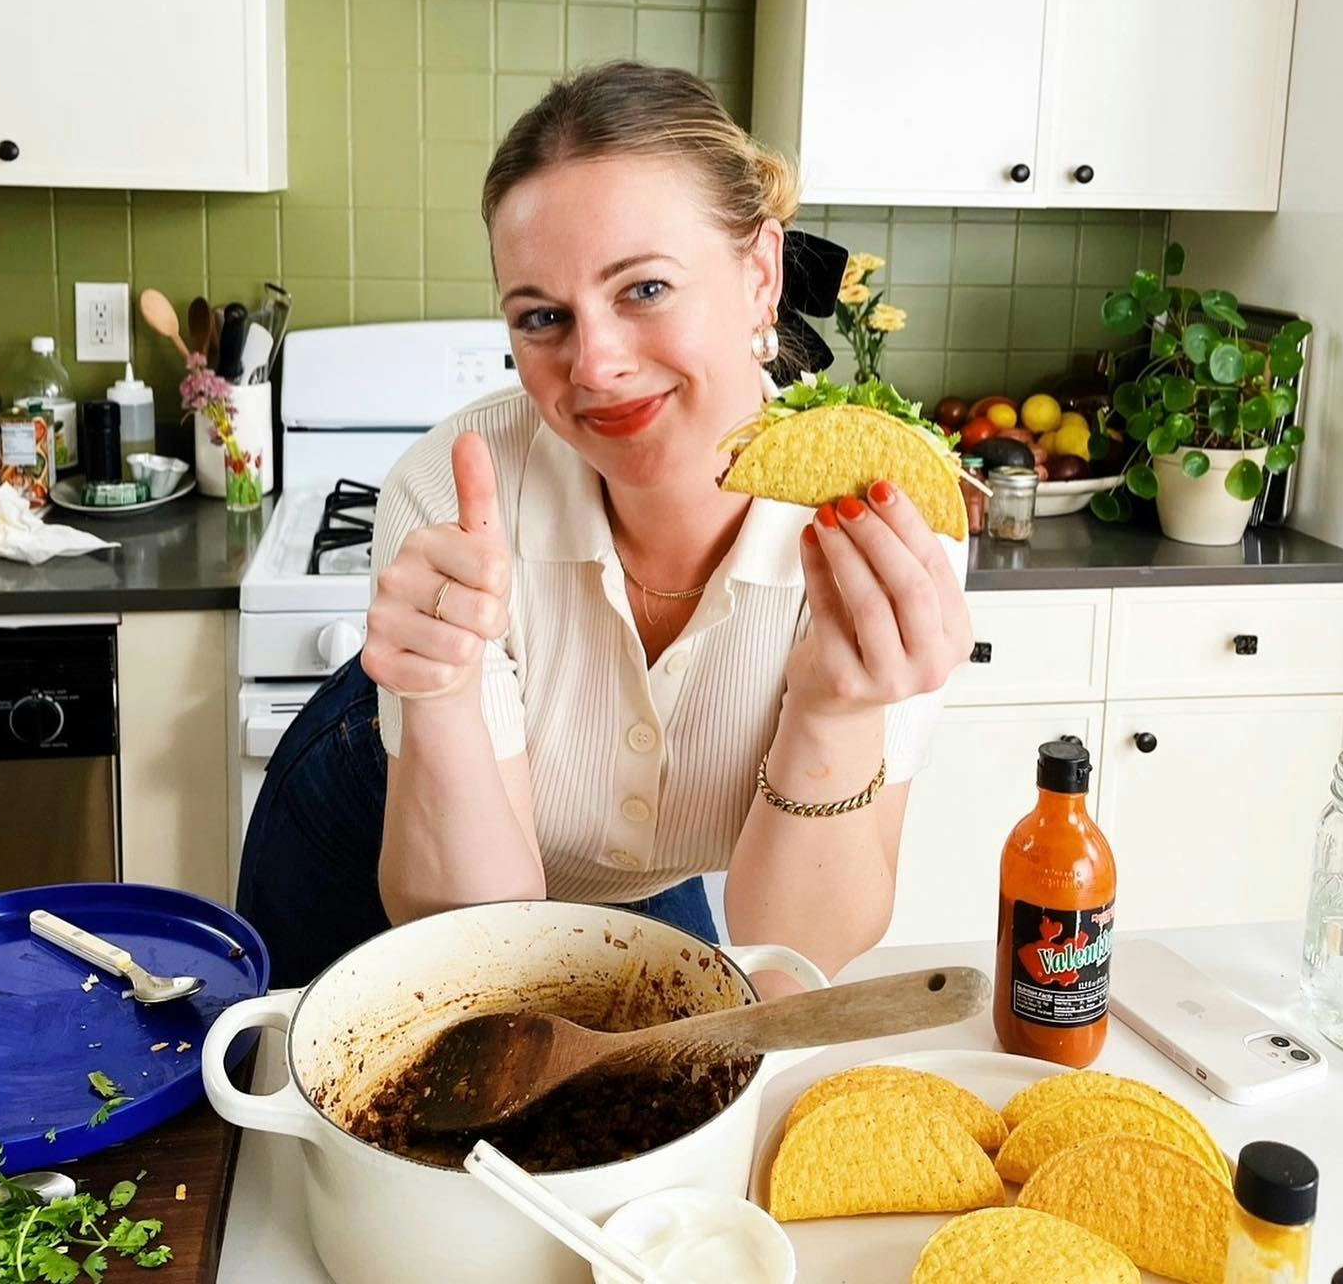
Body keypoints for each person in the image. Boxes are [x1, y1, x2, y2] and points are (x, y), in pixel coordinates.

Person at [238, 62, 972, 988]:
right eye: (543, 316)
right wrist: (443, 695)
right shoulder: (456, 492)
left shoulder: (883, 530)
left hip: (634, 871)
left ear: (760, 274)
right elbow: (483, 938)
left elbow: (792, 950)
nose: (595, 365)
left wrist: (838, 710)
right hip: (378, 827)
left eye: (645, 289)